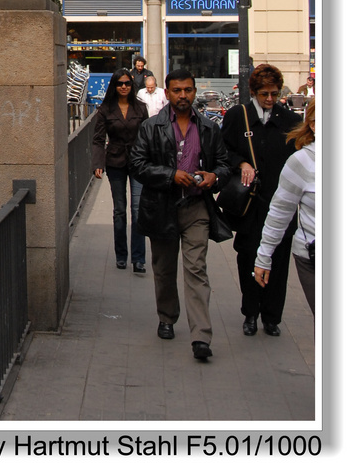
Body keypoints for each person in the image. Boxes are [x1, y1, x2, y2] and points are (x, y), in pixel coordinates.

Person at [131, 68, 232, 361]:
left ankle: (201, 335)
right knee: (163, 269)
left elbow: (225, 165)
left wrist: (215, 176)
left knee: (196, 269)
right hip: (162, 207)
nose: (183, 96)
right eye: (177, 91)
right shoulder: (152, 127)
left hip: (196, 208)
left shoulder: (209, 128)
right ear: (167, 92)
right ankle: (167, 316)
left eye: (188, 90)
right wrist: (170, 175)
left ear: (195, 91)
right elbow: (137, 164)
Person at [220, 63, 302, 337]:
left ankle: (272, 316)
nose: (269, 99)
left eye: (274, 94)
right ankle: (250, 312)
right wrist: (241, 162)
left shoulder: (289, 121)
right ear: (253, 92)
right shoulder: (237, 116)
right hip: (250, 205)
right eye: (264, 94)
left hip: (281, 204)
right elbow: (223, 152)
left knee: (278, 262)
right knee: (248, 258)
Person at [254, 99, 315, 316]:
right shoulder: (301, 162)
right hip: (314, 257)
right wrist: (264, 256)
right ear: (314, 125)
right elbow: (280, 212)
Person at [91, 70, 149, 273]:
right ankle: (121, 255)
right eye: (119, 83)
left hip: (137, 162)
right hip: (115, 161)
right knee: (119, 211)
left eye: (127, 83)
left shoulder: (141, 108)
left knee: (137, 208)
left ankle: (139, 258)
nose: (124, 86)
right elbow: (98, 139)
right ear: (114, 86)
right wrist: (97, 163)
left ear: (132, 86)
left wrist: (149, 161)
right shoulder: (105, 109)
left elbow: (146, 137)